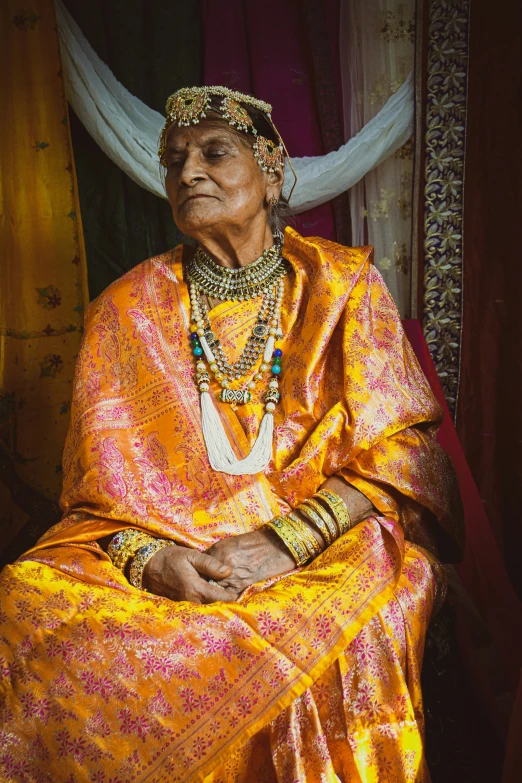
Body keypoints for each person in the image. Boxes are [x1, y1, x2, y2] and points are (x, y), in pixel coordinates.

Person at [0, 86, 462, 782]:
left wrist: (288, 540)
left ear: (272, 172)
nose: (188, 173)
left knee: (363, 622)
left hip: (320, 551)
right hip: (171, 554)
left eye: (214, 152)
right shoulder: (126, 310)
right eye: (175, 160)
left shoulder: (341, 288)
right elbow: (94, 505)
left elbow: (410, 452)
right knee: (26, 598)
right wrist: (154, 562)